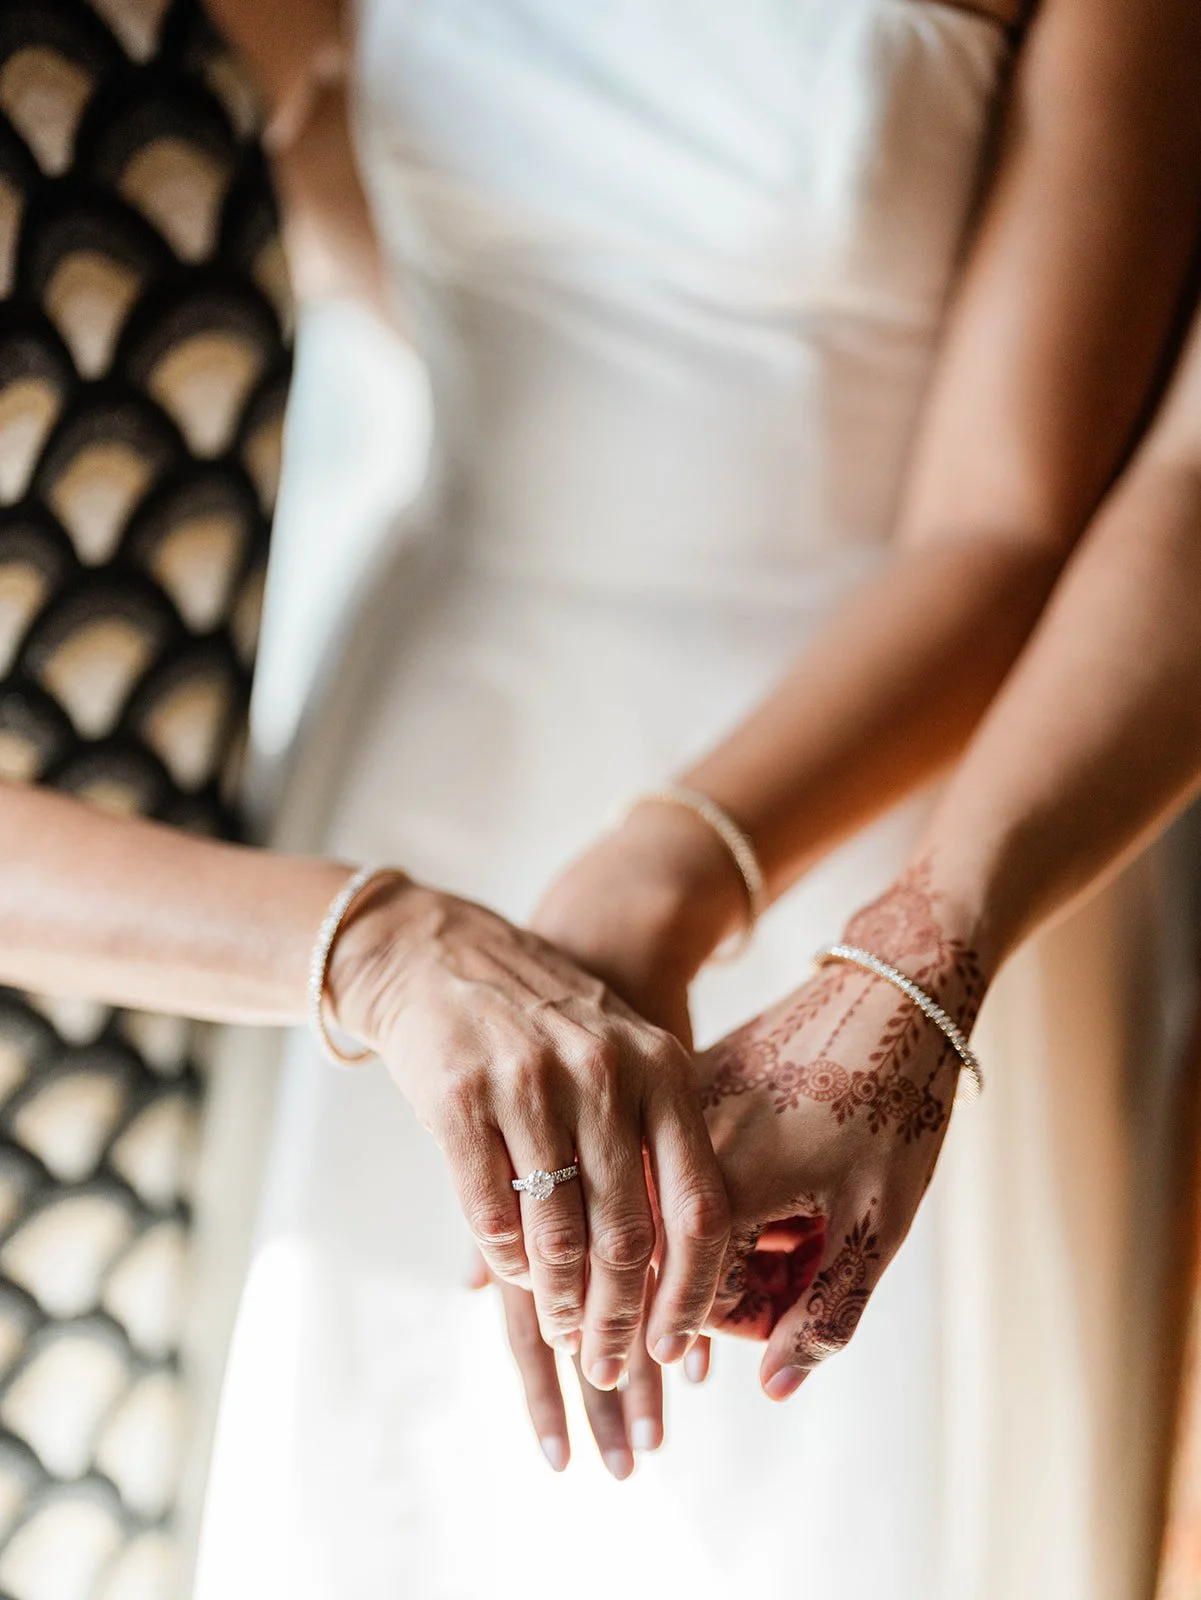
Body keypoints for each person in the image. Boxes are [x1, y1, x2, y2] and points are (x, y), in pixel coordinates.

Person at [1, 3, 1200, 1600]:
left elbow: (1017, 515)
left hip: (877, 767)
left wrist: (681, 863)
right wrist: (379, 942)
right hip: (447, 751)